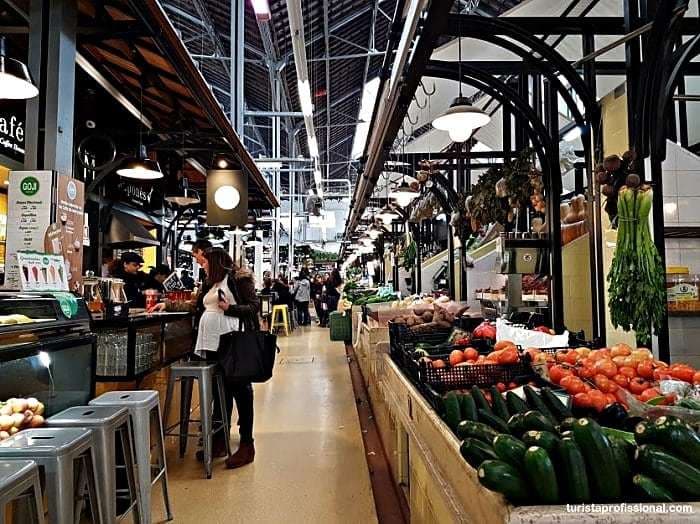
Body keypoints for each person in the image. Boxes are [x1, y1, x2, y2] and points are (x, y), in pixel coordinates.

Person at [151, 247, 259, 468]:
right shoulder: (211, 283)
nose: (202, 265)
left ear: (216, 262)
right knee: (221, 391)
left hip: (233, 341)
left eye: (205, 262)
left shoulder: (239, 280)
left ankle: (247, 444)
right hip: (211, 343)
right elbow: (195, 305)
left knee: (240, 388)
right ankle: (220, 438)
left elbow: (253, 307)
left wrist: (230, 308)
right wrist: (169, 305)